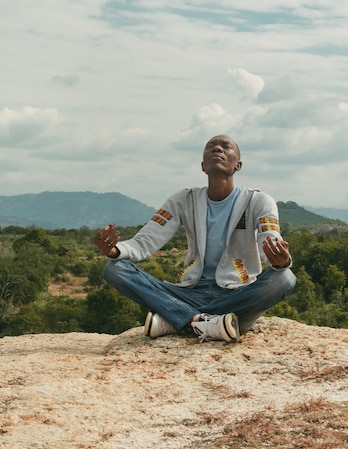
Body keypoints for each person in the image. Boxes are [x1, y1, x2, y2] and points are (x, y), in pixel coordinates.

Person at [93, 134, 296, 343]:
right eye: (211, 147)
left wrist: (280, 260)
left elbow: (270, 239)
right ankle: (206, 322)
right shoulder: (184, 200)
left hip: (237, 293)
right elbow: (146, 240)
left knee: (285, 278)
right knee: (114, 269)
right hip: (189, 292)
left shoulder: (257, 201)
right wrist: (115, 250)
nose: (218, 149)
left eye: (226, 147)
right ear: (202, 165)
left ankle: (178, 319)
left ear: (238, 165)